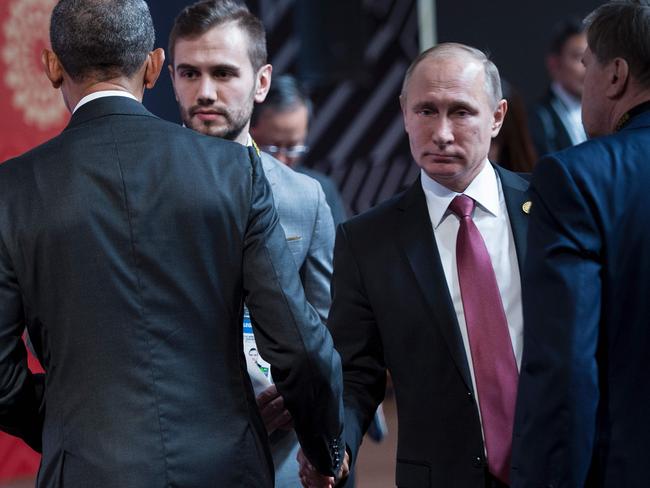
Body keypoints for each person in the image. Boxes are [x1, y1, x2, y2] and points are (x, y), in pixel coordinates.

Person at [0, 0, 344, 486]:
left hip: (85, 468)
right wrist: (327, 449)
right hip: (229, 467)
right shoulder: (234, 172)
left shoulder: (10, 191)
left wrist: (68, 427)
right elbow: (301, 345)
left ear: (52, 67)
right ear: (155, 66)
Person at [301, 42, 531, 488]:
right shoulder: (367, 241)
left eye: (461, 112)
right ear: (405, 113)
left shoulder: (551, 209)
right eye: (426, 111)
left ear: (497, 117)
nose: (442, 133)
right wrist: (337, 448)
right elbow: (355, 373)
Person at [167, 1, 337, 486]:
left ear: (261, 82)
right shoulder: (138, 191)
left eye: (223, 73)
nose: (205, 92)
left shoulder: (305, 198)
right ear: (169, 76)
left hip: (280, 459)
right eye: (189, 73)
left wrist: (302, 405)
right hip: (172, 454)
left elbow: (327, 332)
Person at [512, 1, 650, 486]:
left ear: (615, 75)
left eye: (587, 63)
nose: (584, 76)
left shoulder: (576, 176)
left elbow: (565, 367)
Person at [251, 74, 349, 225]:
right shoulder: (228, 188)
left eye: (292, 148)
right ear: (250, 134)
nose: (281, 160)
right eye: (271, 148)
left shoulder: (321, 193)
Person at [529, 18, 588, 156]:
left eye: (591, 57)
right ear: (554, 64)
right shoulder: (539, 118)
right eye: (579, 57)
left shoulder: (605, 112)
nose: (587, 66)